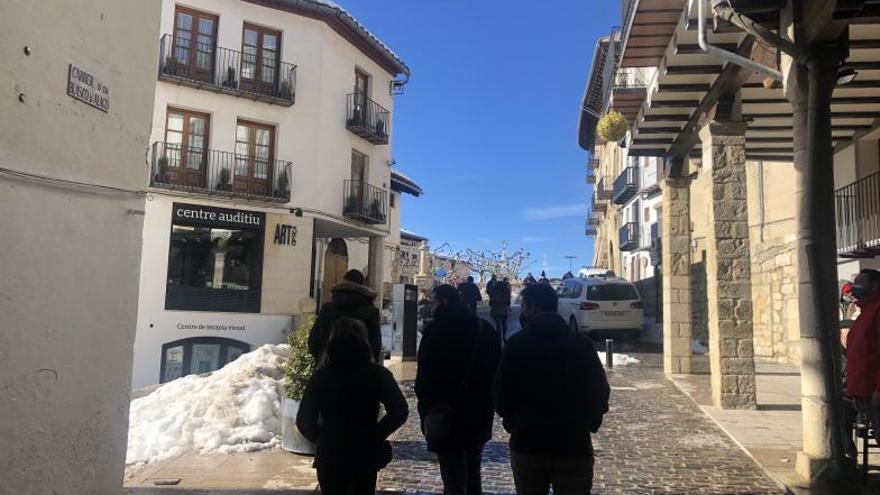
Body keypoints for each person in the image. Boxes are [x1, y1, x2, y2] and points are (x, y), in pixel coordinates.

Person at [496, 283, 610, 495]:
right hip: (573, 444)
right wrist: (588, 424)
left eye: (524, 307)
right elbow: (599, 390)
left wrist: (514, 423)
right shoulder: (580, 344)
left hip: (527, 443)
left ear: (532, 307)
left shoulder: (516, 345)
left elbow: (501, 395)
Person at [297, 318, 408, 494]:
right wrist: (376, 434)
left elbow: (304, 420)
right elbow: (400, 411)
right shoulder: (378, 374)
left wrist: (325, 439)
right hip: (364, 452)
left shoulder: (321, 376)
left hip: (331, 453)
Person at [416, 284, 502, 495]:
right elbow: (498, 370)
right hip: (479, 411)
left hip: (445, 411)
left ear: (443, 303)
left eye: (434, 302)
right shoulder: (484, 329)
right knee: (473, 471)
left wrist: (425, 413)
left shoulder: (434, 332)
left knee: (452, 478)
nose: (432, 307)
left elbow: (424, 378)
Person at [309, 269, 382, 363]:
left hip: (330, 368)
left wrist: (322, 360)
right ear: (363, 285)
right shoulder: (371, 312)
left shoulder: (327, 309)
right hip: (360, 371)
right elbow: (375, 346)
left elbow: (313, 341)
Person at [845, 269, 880, 442]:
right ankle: (846, 456)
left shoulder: (877, 310)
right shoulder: (864, 312)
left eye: (860, 282)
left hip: (874, 389)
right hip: (861, 388)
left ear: (874, 286)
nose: (855, 287)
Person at [488, 277, 512, 342]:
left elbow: (491, 302)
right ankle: (504, 336)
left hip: (495, 309)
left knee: (497, 324)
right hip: (503, 309)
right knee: (504, 324)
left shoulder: (493, 291)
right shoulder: (506, 290)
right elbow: (508, 301)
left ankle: (499, 336)